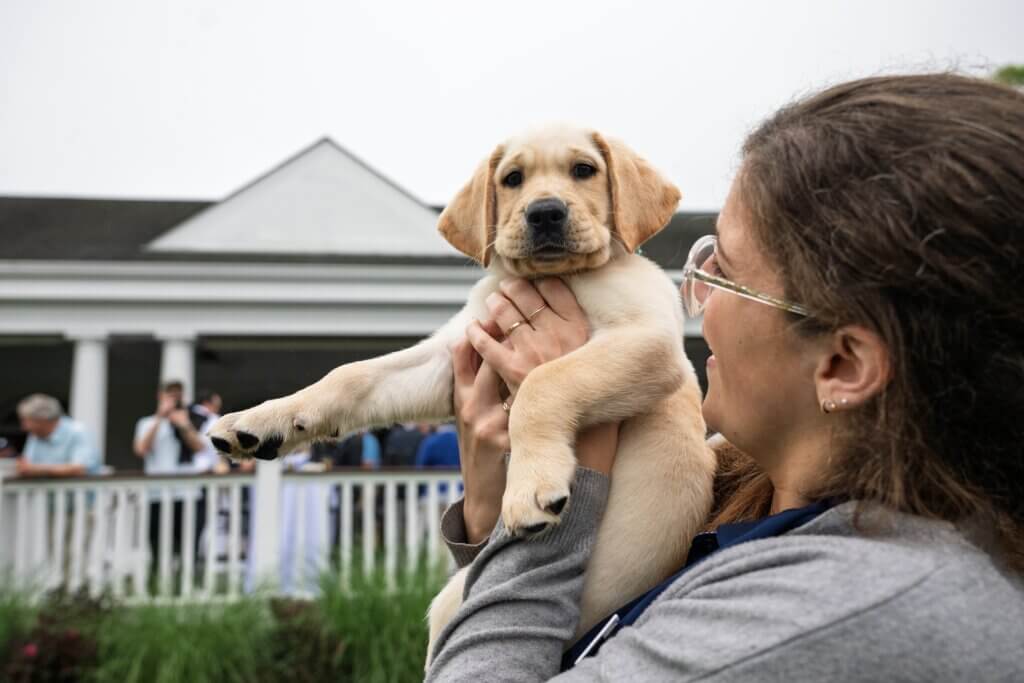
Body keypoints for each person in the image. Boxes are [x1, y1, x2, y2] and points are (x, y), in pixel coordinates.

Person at [426, 74, 1024, 681]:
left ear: (843, 365)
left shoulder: (830, 614)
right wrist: (491, 510)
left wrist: (571, 453)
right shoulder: (746, 495)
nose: (699, 298)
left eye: (725, 273)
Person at [133, 380, 207, 564]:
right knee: (158, 548)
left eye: (177, 395)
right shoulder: (146, 423)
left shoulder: (191, 420)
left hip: (188, 494)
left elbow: (200, 448)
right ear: (160, 396)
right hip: (157, 495)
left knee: (189, 549)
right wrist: (160, 417)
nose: (174, 399)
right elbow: (141, 449)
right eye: (169, 395)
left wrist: (183, 425)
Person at [15, 393, 100, 477]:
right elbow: (28, 465)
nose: (23, 427)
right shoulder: (36, 435)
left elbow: (81, 468)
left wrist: (39, 470)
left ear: (42, 419)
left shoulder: (79, 431)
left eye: (25, 421)